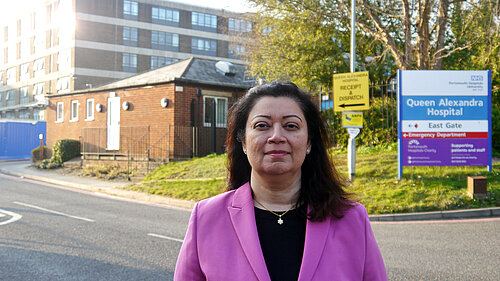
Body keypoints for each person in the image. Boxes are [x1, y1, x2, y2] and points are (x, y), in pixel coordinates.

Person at [174, 82, 387, 281]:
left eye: (291, 126)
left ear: (309, 142)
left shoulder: (352, 219)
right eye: (262, 125)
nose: (276, 136)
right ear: (244, 142)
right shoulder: (206, 217)